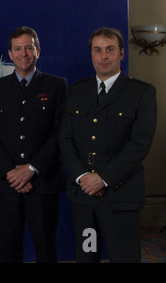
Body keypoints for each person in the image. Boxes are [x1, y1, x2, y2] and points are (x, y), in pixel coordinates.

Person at [59, 27, 157, 262]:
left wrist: (102, 178)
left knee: (124, 257)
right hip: (84, 197)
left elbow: (139, 144)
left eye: (110, 50)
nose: (104, 56)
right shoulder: (77, 91)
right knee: (87, 256)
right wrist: (83, 176)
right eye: (98, 50)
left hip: (121, 195)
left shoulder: (141, 93)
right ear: (91, 54)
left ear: (122, 54)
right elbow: (65, 138)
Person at [0, 26, 68, 263]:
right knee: (9, 245)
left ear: (38, 51)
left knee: (45, 246)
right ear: (10, 54)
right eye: (17, 49)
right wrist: (11, 172)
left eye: (29, 48)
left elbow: (60, 133)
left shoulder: (57, 85)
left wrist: (31, 169)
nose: (24, 53)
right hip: (7, 182)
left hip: (43, 181)